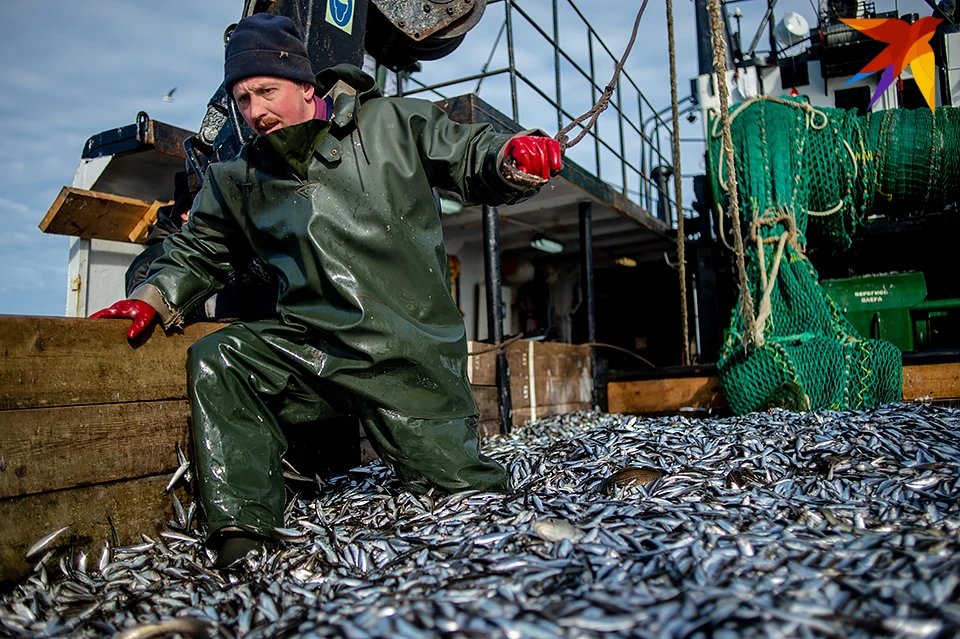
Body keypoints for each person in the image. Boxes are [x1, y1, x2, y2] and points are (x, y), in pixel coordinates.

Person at [92, 13, 562, 568]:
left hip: (406, 356)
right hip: (312, 350)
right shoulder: (236, 177)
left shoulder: (393, 123)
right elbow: (201, 251)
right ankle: (243, 531)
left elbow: (468, 155)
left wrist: (511, 159)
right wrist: (152, 295)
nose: (255, 111)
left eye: (266, 91)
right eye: (243, 99)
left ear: (306, 85)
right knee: (221, 357)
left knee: (469, 503)